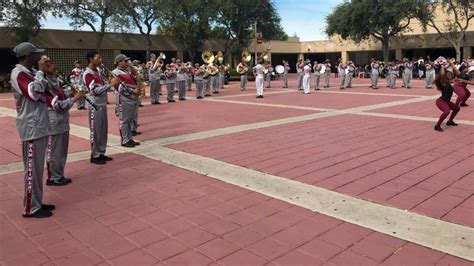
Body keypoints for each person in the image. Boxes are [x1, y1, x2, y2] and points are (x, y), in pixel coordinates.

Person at [11, 42, 57, 218]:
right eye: (36, 54)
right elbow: (33, 92)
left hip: (39, 124)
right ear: (28, 56)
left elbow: (47, 90)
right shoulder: (20, 73)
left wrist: (42, 74)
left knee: (37, 169)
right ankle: (30, 208)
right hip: (31, 126)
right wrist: (40, 72)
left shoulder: (30, 73)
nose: (40, 57)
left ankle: (36, 201)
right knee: (31, 169)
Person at [45, 63, 83, 186]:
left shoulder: (55, 81)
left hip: (63, 120)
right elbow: (57, 105)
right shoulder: (45, 84)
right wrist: (74, 99)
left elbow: (61, 97)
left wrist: (70, 94)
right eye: (51, 66)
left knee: (62, 151)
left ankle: (59, 174)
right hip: (54, 122)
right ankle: (53, 177)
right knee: (55, 152)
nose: (55, 68)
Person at [82, 51, 118, 164]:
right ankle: (95, 155)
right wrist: (111, 84)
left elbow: (102, 86)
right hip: (95, 105)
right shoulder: (88, 73)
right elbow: (95, 91)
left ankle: (101, 152)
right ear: (91, 59)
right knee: (95, 131)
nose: (100, 60)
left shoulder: (97, 72)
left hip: (102, 104)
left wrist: (109, 83)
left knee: (103, 130)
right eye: (98, 58)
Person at [112, 54, 141, 147]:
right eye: (125, 61)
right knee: (124, 121)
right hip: (124, 99)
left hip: (132, 98)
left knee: (130, 120)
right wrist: (133, 90)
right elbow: (119, 87)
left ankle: (129, 138)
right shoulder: (115, 72)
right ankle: (125, 140)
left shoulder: (128, 71)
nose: (128, 62)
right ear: (119, 62)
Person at [434, 57, 461, 132]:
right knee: (447, 111)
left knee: (457, 108)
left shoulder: (447, 81)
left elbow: (458, 73)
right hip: (441, 101)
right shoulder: (443, 81)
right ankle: (437, 125)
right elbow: (442, 74)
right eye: (447, 73)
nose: (449, 74)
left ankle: (450, 121)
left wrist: (450, 64)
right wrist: (442, 65)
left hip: (446, 101)